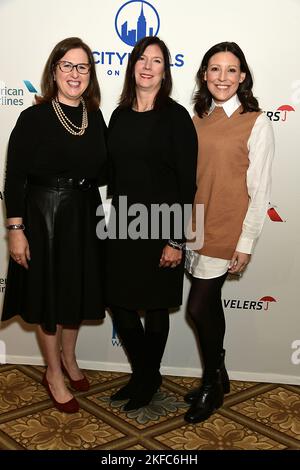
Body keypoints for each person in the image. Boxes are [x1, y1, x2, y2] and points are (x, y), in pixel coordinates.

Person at [1, 37, 107, 413]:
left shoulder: (95, 117)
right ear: (54, 71)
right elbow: (14, 178)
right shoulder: (34, 117)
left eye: (82, 67)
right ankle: (53, 373)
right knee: (49, 296)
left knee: (74, 293)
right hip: (44, 215)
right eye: (67, 66)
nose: (75, 74)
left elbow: (106, 169)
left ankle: (69, 358)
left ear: (90, 74)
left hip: (84, 213)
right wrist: (16, 229)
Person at [184, 42, 274, 423]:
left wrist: (246, 242)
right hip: (193, 228)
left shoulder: (257, 121)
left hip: (227, 230)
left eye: (231, 69)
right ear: (205, 74)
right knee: (210, 306)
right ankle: (218, 374)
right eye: (215, 69)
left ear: (243, 76)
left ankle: (211, 382)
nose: (223, 77)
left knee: (198, 307)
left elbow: (261, 189)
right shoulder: (197, 117)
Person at [106, 36, 197, 411]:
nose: (147, 66)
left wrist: (177, 240)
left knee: (156, 305)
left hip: (163, 223)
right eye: (141, 59)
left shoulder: (175, 116)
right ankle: (146, 373)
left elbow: (187, 181)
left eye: (156, 61)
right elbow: (105, 167)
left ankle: (145, 376)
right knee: (118, 300)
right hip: (122, 221)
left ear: (165, 70)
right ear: (132, 66)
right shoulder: (119, 115)